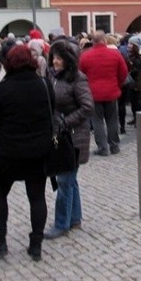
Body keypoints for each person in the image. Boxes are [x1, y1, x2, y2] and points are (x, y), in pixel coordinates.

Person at [0, 44, 54, 261]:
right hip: (38, 150)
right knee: (37, 197)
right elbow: (52, 110)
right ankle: (36, 244)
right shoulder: (43, 85)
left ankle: (0, 242)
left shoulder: (2, 89)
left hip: (7, 151)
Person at [44, 40, 94, 239]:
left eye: (59, 58)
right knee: (70, 180)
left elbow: (88, 107)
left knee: (65, 180)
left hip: (73, 137)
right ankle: (74, 219)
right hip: (59, 135)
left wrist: (66, 122)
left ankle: (61, 223)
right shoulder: (52, 76)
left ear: (68, 60)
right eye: (54, 57)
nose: (55, 61)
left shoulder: (78, 79)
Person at [79, 30, 128, 150]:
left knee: (97, 121)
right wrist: (118, 84)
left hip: (93, 93)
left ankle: (102, 147)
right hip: (111, 91)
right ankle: (114, 145)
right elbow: (124, 72)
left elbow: (80, 75)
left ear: (92, 41)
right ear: (104, 40)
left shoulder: (85, 56)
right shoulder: (115, 54)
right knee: (112, 120)